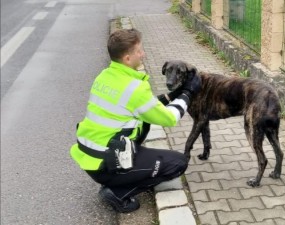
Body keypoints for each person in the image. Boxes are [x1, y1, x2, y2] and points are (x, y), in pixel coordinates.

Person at [70, 28, 201, 213]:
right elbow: (170, 118)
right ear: (127, 59)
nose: (144, 54)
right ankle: (118, 192)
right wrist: (188, 93)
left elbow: (144, 108)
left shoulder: (104, 76)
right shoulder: (135, 88)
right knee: (178, 163)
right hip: (107, 163)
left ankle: (120, 177)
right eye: (139, 50)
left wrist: (172, 96)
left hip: (91, 157)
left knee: (145, 123)